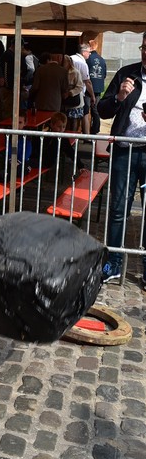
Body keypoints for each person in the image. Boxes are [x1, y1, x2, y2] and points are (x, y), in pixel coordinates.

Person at [98, 35, 146, 288]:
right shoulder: (127, 74)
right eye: (144, 48)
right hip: (124, 152)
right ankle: (112, 264)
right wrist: (118, 96)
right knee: (117, 210)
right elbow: (102, 110)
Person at [82, 32, 107, 135]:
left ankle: (85, 132)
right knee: (96, 110)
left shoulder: (87, 59)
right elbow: (104, 74)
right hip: (99, 88)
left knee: (86, 110)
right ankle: (95, 130)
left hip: (89, 87)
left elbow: (85, 74)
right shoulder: (102, 59)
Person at [71, 43, 95, 136]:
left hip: (66, 92)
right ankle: (74, 138)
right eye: (89, 52)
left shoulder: (70, 58)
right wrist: (92, 95)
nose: (89, 54)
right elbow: (87, 81)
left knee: (69, 117)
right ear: (84, 52)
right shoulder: (82, 63)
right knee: (77, 117)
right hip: (78, 93)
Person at [62, 54, 84, 132]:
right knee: (65, 119)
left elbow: (80, 86)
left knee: (74, 120)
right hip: (64, 100)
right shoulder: (61, 72)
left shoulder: (75, 72)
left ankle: (73, 138)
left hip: (74, 99)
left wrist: (69, 93)